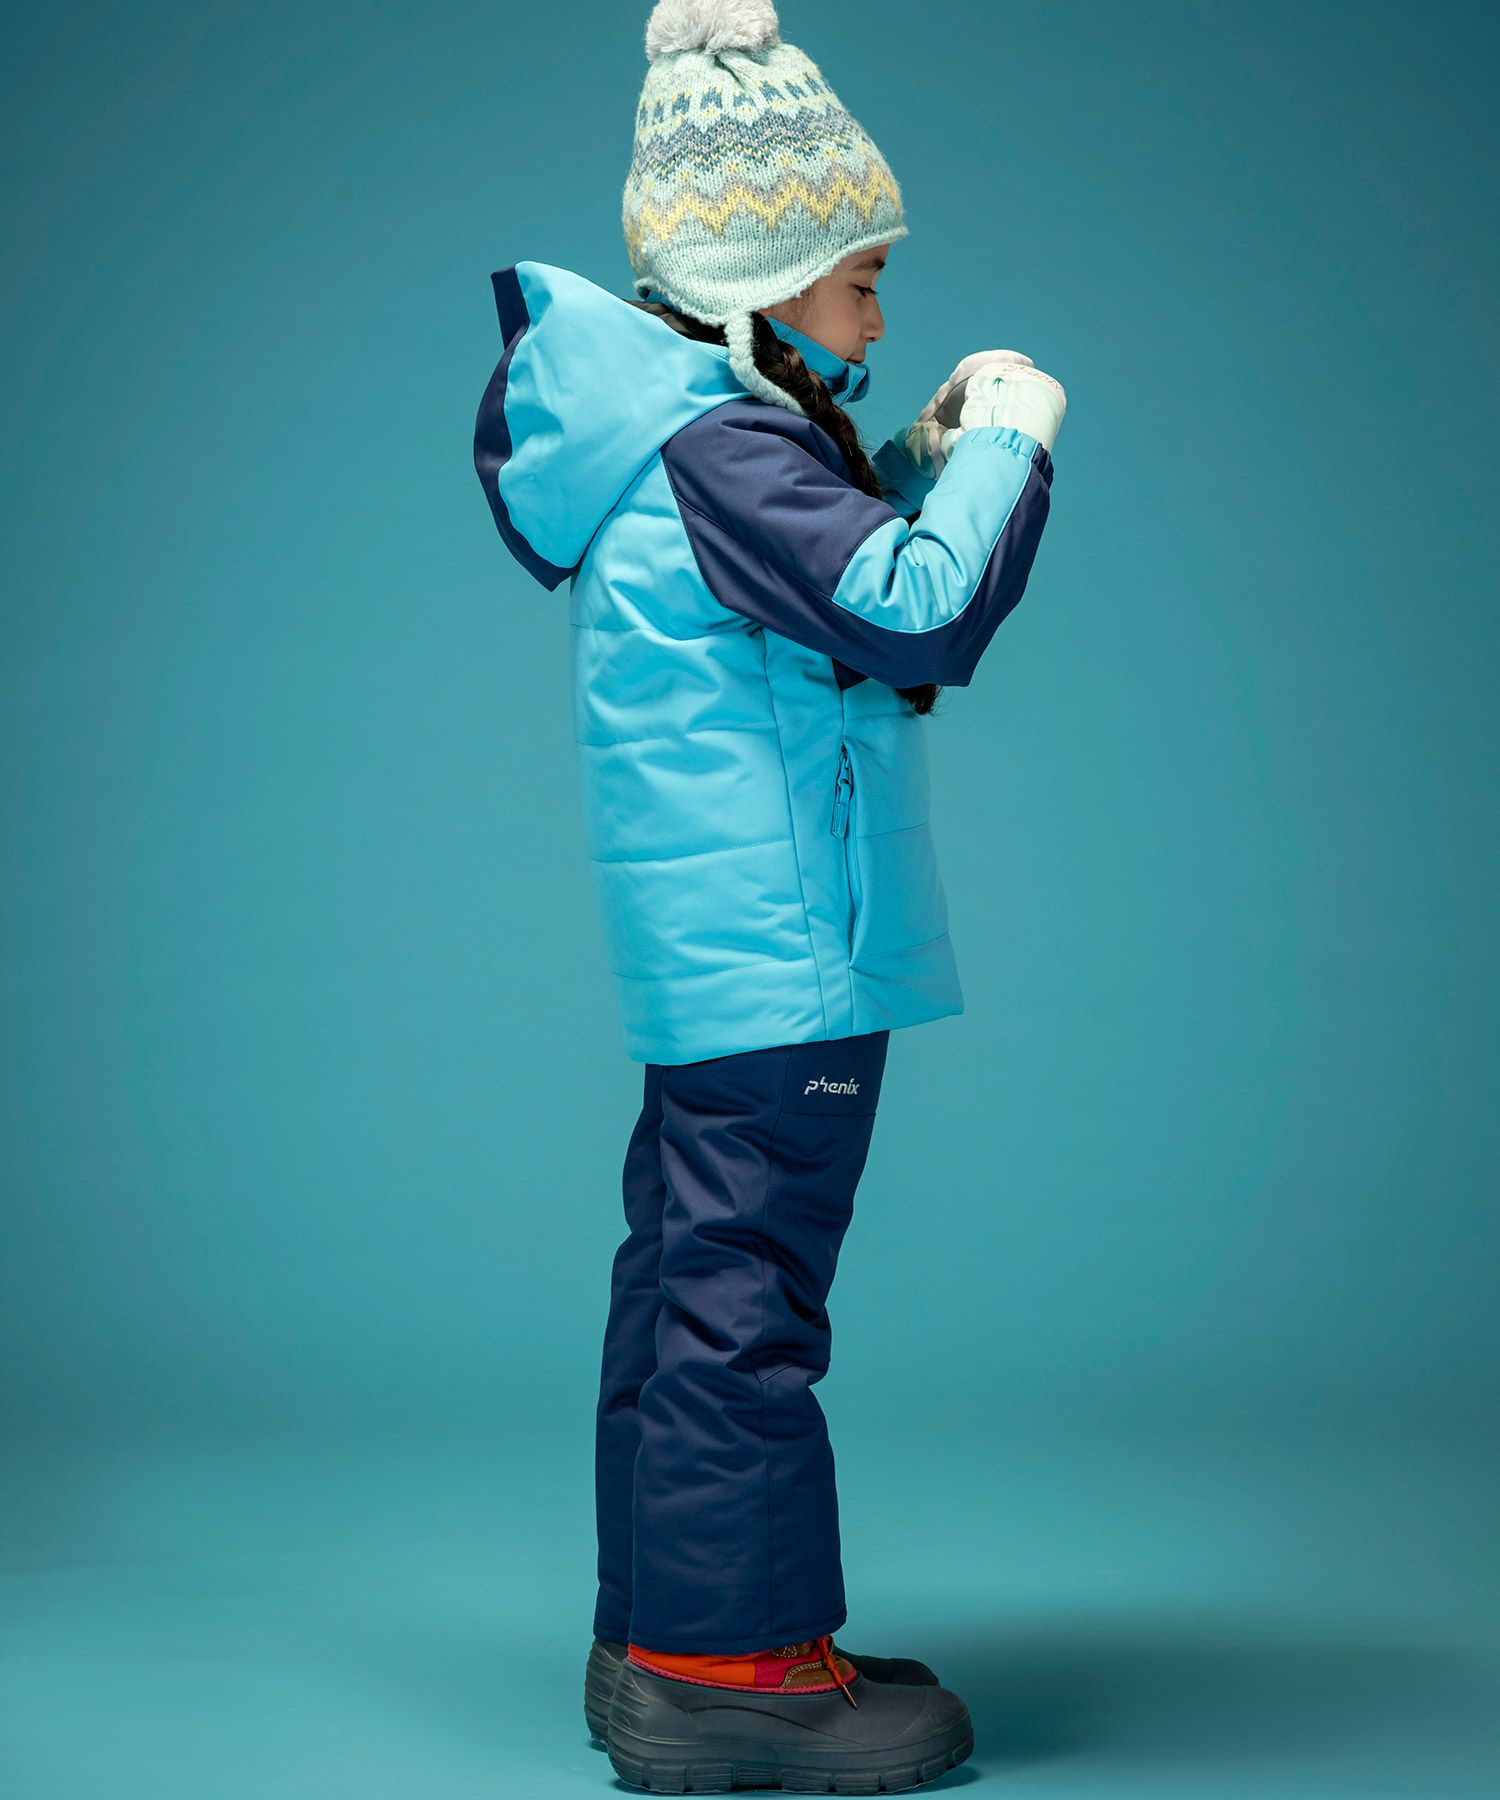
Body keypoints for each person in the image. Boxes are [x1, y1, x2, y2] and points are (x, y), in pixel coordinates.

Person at [472, 0, 1066, 1788]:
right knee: (748, 1299)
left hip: (716, 951)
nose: (876, 321)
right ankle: (727, 1671)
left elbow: (813, 600)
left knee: (687, 1279)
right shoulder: (726, 450)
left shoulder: (687, 437)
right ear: (759, 281)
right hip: (783, 954)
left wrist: (918, 461)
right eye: (862, 283)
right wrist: (1010, 443)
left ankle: (668, 1632)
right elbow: (910, 611)